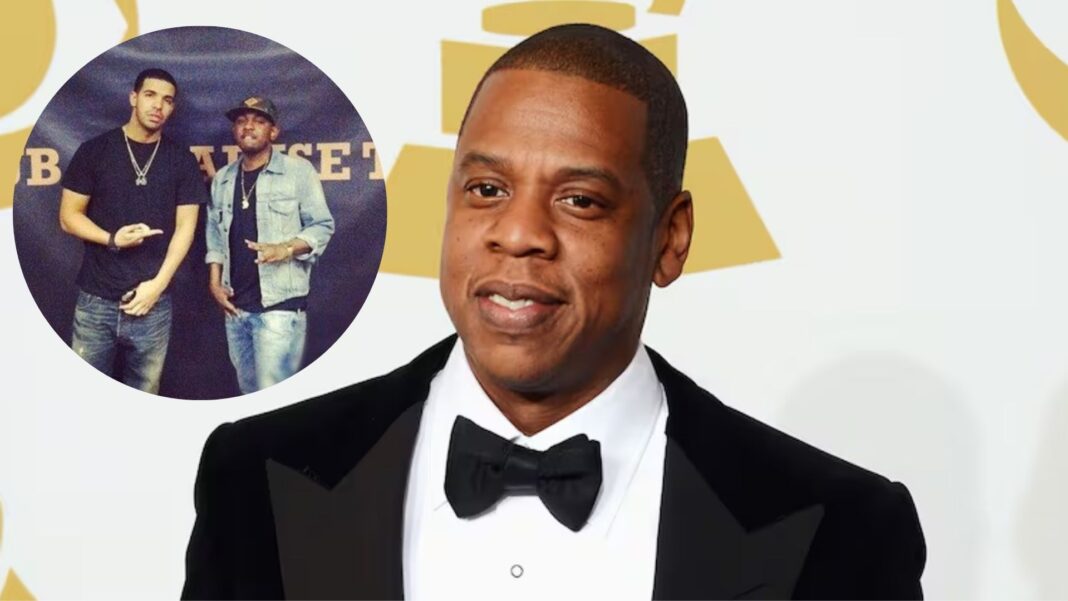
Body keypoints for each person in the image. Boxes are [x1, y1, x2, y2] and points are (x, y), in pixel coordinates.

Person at [182, 25, 926, 599]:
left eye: (580, 200)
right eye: (486, 190)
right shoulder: (256, 479)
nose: (519, 234)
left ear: (670, 239)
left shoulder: (845, 529)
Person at [59, 67, 205, 394]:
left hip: (153, 303)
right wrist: (112, 239)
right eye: (150, 95)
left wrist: (157, 286)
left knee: (145, 397)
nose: (158, 106)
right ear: (133, 97)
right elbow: (68, 217)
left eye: (167, 100)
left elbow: (186, 228)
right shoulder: (94, 151)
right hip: (96, 300)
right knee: (86, 396)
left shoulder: (181, 159)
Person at [204, 97, 335, 394]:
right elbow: (214, 236)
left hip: (279, 308)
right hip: (235, 309)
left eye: (259, 121)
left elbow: (322, 226)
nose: (248, 126)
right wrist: (214, 283)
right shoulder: (223, 179)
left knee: (273, 399)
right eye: (241, 121)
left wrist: (285, 248)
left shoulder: (297, 172)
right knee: (249, 394)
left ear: (273, 132)